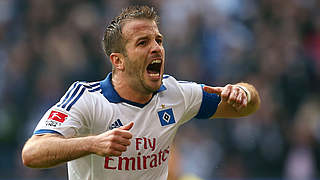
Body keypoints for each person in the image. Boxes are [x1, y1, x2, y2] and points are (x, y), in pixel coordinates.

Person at [21, 5, 260, 180]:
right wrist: (93, 144)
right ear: (118, 61)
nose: (156, 48)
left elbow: (246, 107)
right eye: (143, 42)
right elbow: (32, 153)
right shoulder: (88, 99)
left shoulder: (175, 94)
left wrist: (243, 92)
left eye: (158, 40)